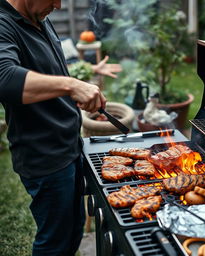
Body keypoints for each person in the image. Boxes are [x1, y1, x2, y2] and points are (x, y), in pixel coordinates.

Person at [0, 0, 120, 255]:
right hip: (45, 156)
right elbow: (6, 79)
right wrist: (71, 86)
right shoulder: (3, 23)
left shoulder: (38, 16)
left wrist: (84, 74)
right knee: (54, 242)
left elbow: (50, 70)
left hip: (68, 146)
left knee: (73, 230)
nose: (58, 4)